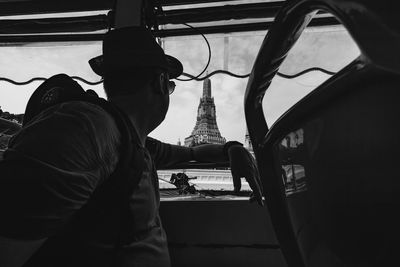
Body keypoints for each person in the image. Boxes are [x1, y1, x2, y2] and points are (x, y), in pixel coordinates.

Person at [0, 26, 262, 267]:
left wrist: (232, 148)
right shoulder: (86, 130)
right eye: (170, 85)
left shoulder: (132, 140)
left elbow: (193, 152)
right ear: (160, 83)